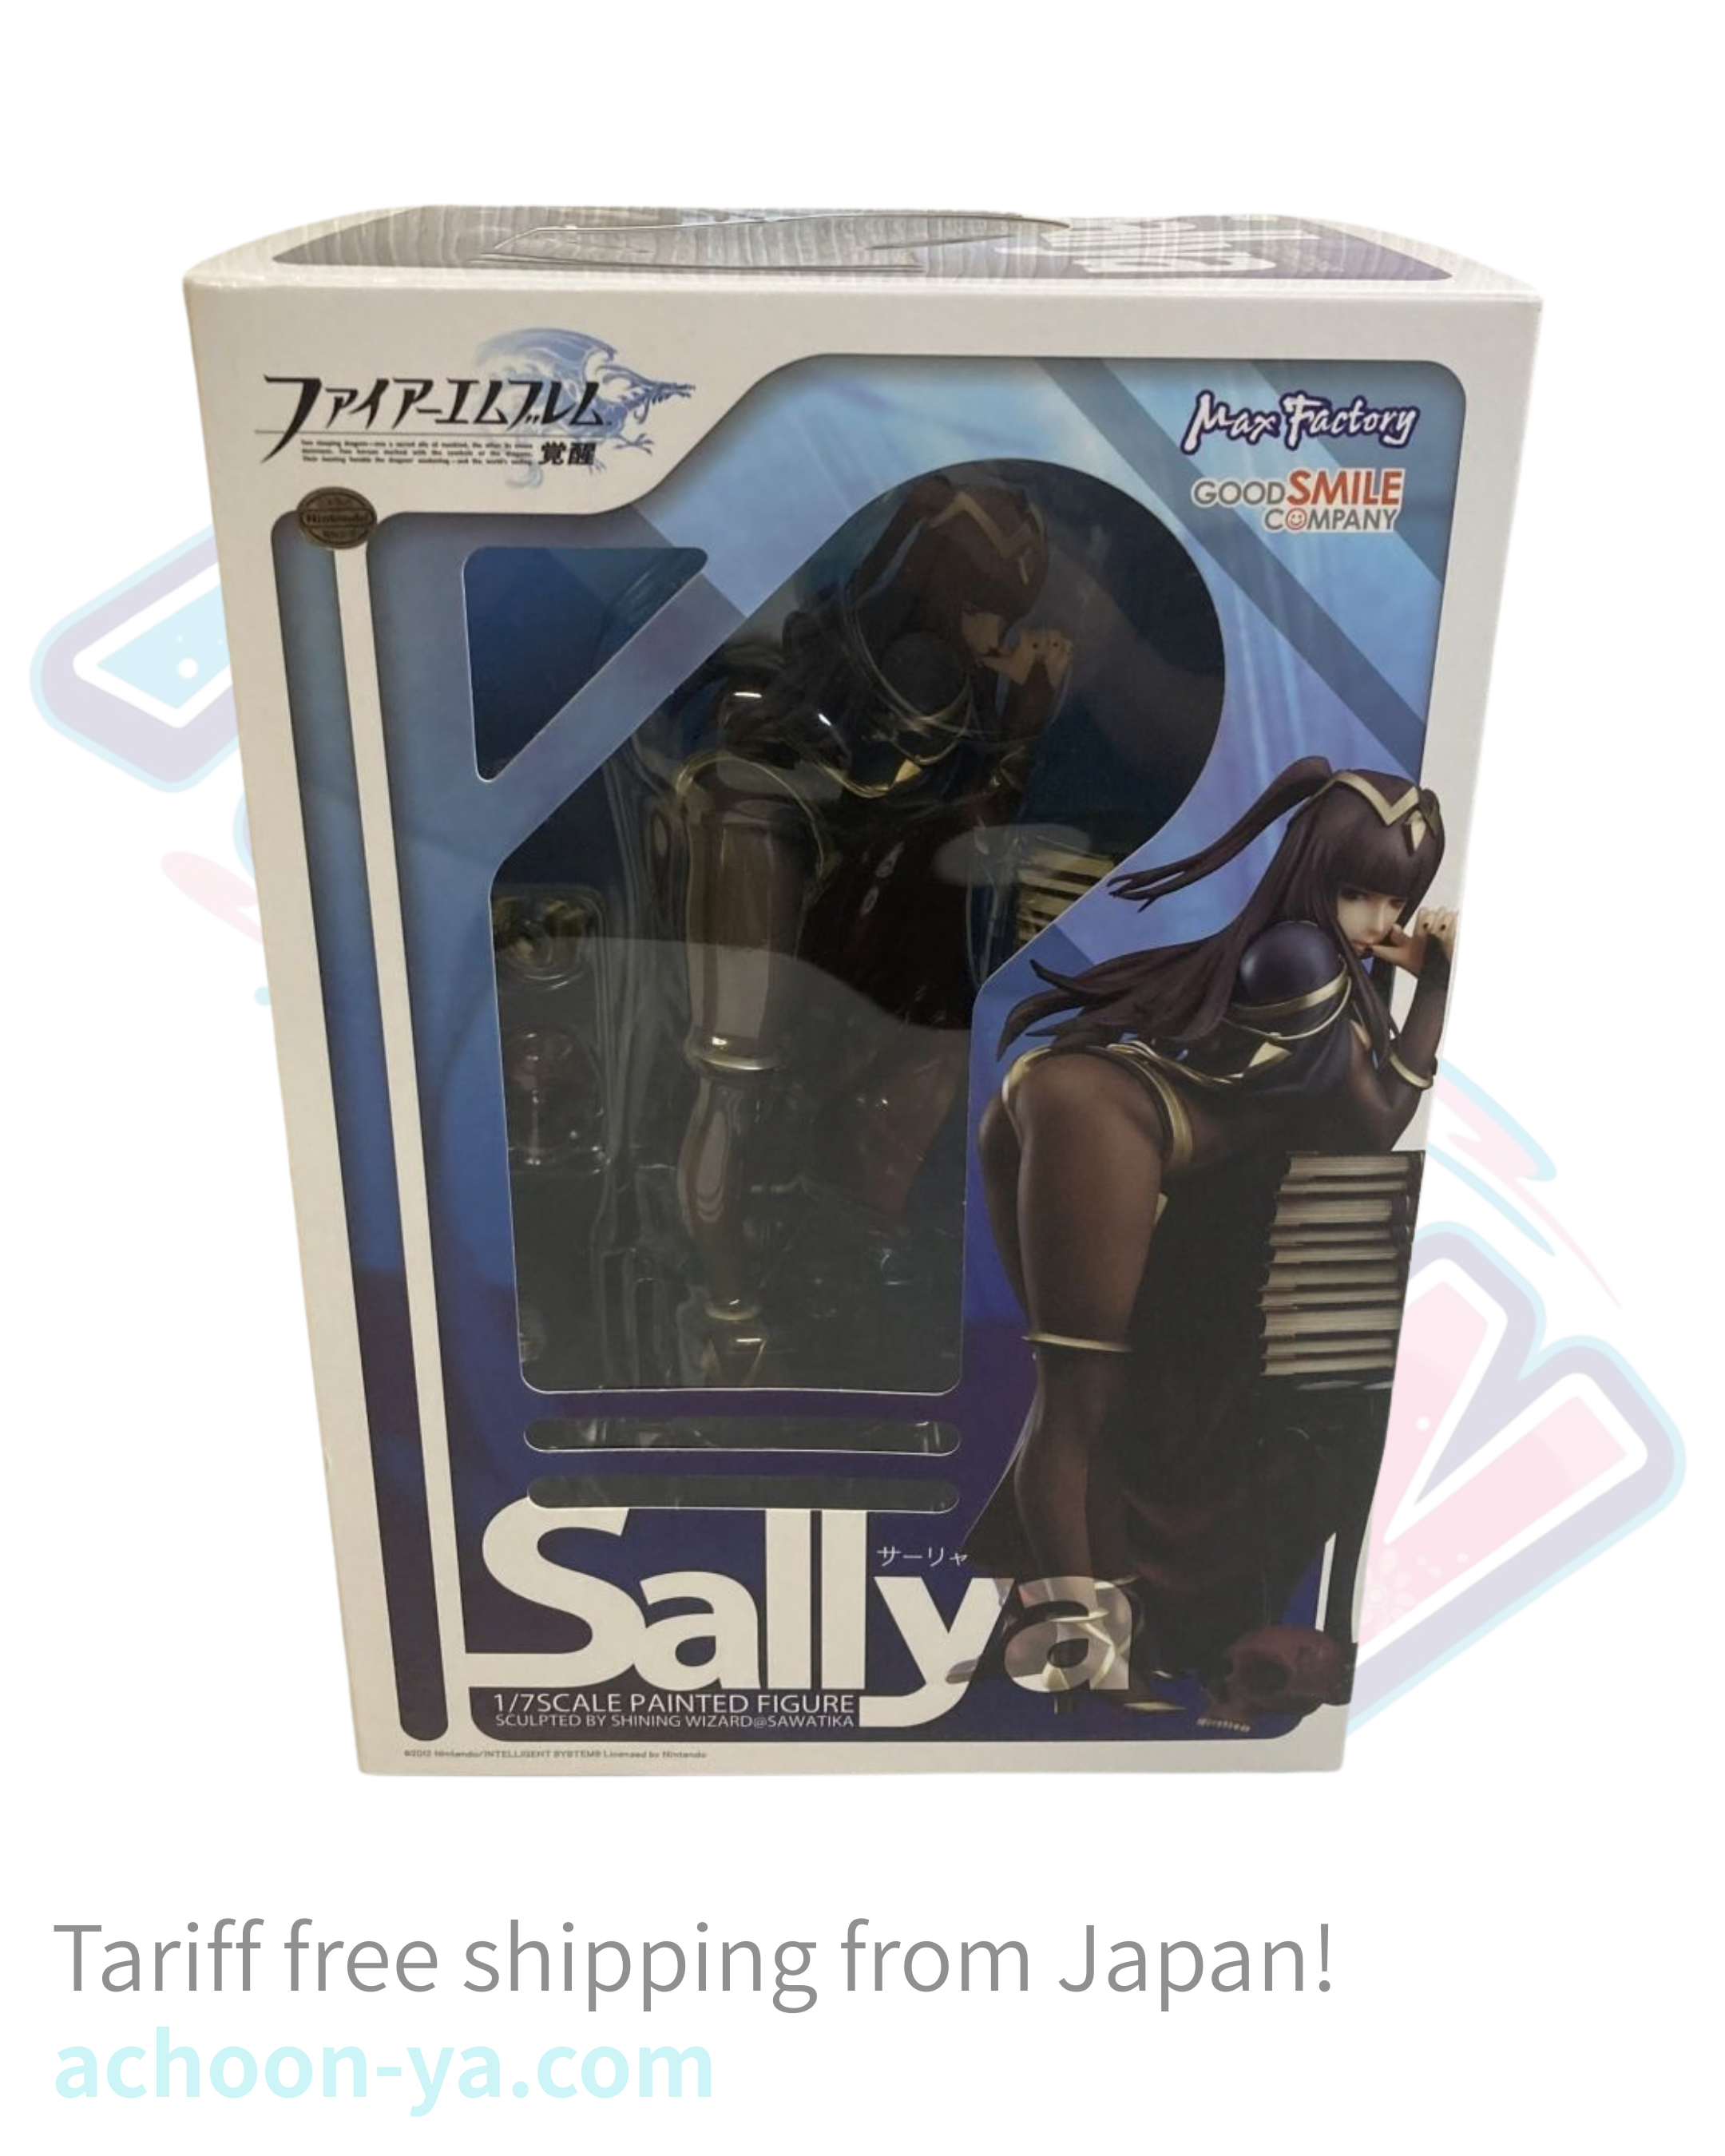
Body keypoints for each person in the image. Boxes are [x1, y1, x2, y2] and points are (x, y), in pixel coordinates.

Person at [973, 756, 1456, 1690]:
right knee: (1078, 1401)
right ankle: (1085, 1658)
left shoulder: (1324, 961)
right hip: (1110, 1118)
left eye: (1396, 899)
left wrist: (1400, 985)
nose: (1378, 920)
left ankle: (1109, 1645)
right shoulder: (1301, 956)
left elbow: (1337, 1117)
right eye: (1357, 892)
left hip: (1093, 1113)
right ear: (1313, 872)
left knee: (1093, 1405)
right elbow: (1371, 1122)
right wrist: (1436, 992)